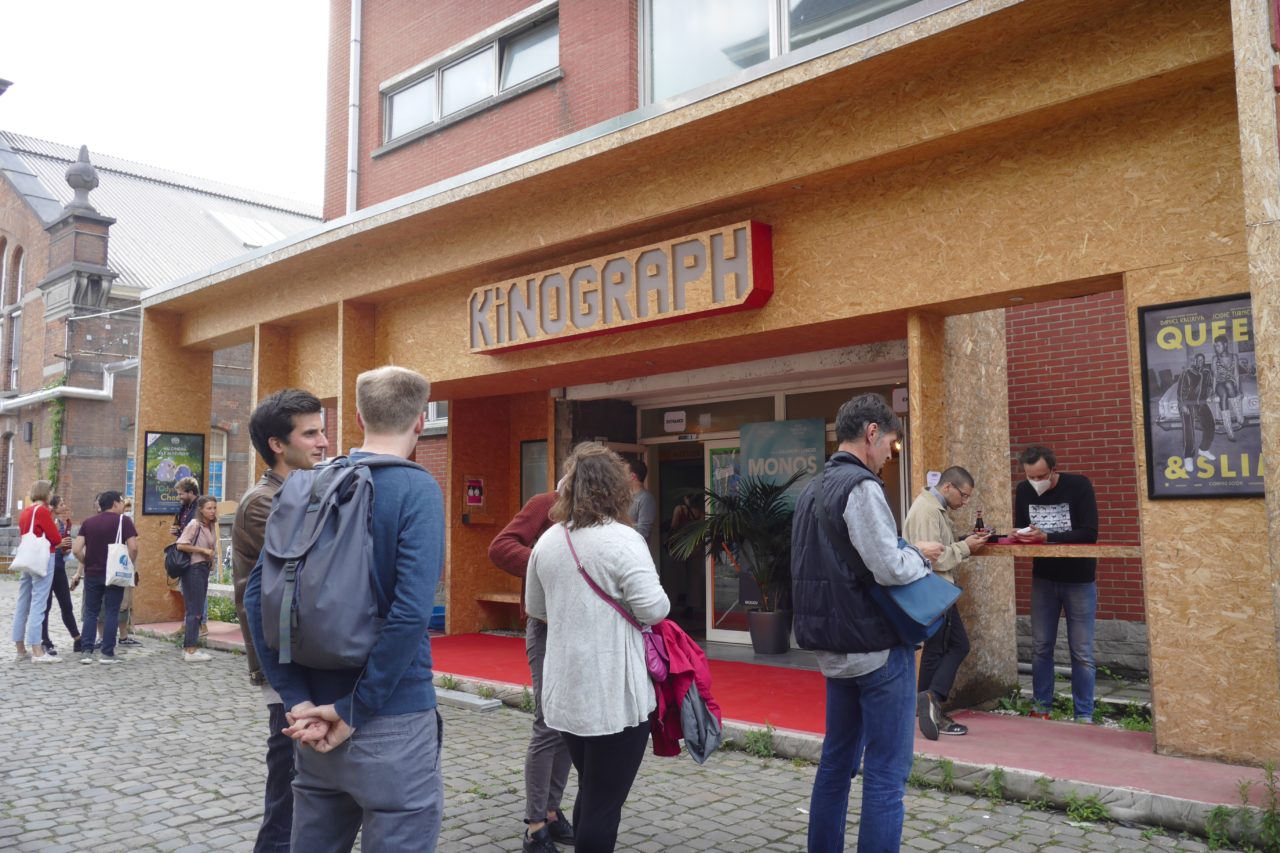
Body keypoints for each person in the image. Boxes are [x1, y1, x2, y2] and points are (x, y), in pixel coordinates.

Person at [246, 365, 445, 852]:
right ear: (421, 421)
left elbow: (256, 600)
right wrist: (354, 709)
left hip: (313, 722)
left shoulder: (307, 484)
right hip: (391, 720)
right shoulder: (417, 489)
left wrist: (296, 698)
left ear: (357, 417)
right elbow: (410, 614)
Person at [791, 393, 944, 853]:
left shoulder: (811, 490)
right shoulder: (861, 486)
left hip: (833, 648)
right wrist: (919, 556)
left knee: (835, 765)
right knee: (886, 774)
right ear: (872, 433)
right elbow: (889, 567)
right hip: (875, 650)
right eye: (892, 445)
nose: (889, 456)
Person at [526, 443, 670, 853]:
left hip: (566, 694)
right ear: (617, 489)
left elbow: (537, 609)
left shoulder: (548, 541)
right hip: (614, 695)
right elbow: (655, 609)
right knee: (604, 803)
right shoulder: (625, 540)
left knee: (593, 788)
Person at [232, 387, 328, 853]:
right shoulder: (263, 502)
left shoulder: (301, 491)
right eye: (310, 434)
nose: (323, 442)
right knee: (290, 784)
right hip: (284, 661)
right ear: (277, 444)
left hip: (304, 652)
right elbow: (320, 563)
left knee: (304, 782)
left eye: (322, 431)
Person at [489, 490, 576, 853]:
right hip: (544, 626)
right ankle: (535, 826)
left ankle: (552, 811)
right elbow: (500, 548)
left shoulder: (598, 511)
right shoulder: (547, 502)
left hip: (578, 628)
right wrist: (546, 561)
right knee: (547, 721)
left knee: (569, 723)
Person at [1012, 445, 1099, 722]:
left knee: (1081, 651)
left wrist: (1047, 538)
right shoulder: (1023, 491)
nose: (1036, 482)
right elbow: (1023, 526)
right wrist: (1020, 536)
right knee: (1040, 646)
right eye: (1031, 477)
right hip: (1044, 577)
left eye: (1041, 476)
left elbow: (1089, 533)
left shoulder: (1079, 486)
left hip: (1079, 578)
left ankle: (1083, 714)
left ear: (1053, 470)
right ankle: (1041, 707)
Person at [903, 466, 988, 739]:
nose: (965, 502)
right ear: (948, 486)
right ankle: (933, 700)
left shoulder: (933, 508)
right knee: (951, 647)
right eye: (963, 495)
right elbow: (935, 557)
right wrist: (966, 547)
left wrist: (964, 542)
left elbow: (939, 546)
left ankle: (928, 706)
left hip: (936, 589)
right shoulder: (928, 510)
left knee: (938, 649)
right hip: (935, 589)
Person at [72, 490, 138, 665]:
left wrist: (86, 562)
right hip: (114, 574)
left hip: (92, 573)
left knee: (91, 612)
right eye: (121, 501)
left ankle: (86, 652)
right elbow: (133, 547)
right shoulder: (124, 521)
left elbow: (76, 549)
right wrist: (128, 564)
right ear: (115, 503)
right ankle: (107, 653)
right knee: (112, 611)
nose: (123, 504)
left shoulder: (88, 522)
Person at [12, 480, 64, 664]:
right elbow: (55, 539)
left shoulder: (26, 511)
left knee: (23, 601)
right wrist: (55, 527)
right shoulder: (42, 511)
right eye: (50, 491)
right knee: (38, 603)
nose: (51, 494)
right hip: (42, 559)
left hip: (27, 558)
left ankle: (20, 647)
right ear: (45, 493)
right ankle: (37, 650)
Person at [175, 496, 220, 662]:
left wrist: (211, 560)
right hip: (193, 568)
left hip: (203, 568)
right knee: (195, 610)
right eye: (209, 508)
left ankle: (189, 647)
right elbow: (181, 544)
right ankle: (190, 650)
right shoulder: (195, 524)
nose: (212, 511)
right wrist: (202, 550)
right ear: (201, 509)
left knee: (196, 609)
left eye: (214, 508)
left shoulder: (211, 525)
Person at [40, 495, 81, 656]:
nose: (65, 506)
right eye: (62, 504)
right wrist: (59, 545)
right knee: (46, 606)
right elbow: (43, 545)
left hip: (59, 568)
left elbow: (60, 546)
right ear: (53, 507)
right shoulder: (47, 522)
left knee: (66, 604)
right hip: (46, 568)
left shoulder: (62, 524)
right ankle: (45, 641)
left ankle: (77, 638)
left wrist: (66, 549)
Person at [1178, 352, 1217, 471]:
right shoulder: (1187, 372)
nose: (1200, 362)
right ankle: (1188, 457)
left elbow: (1209, 386)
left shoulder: (1207, 372)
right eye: (1198, 359)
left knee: (1210, 424)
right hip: (1188, 403)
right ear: (1194, 361)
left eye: (1202, 360)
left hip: (1201, 403)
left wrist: (1210, 394)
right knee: (1189, 430)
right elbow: (1180, 389)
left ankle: (1203, 449)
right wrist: (1183, 404)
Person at [1211, 334, 1244, 442]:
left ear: (1225, 345)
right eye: (1215, 346)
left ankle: (1238, 415)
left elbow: (1236, 375)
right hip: (1219, 384)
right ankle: (1229, 431)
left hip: (1231, 383)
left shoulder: (1234, 357)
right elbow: (1215, 376)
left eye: (1219, 345)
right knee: (1224, 393)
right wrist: (1213, 392)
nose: (1217, 348)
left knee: (1229, 384)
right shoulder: (1215, 359)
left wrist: (1239, 390)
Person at [626, 457, 657, 542]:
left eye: (624, 473)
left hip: (635, 548)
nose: (621, 476)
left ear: (632, 476)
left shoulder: (646, 499)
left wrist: (621, 527)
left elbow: (643, 532)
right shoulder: (624, 497)